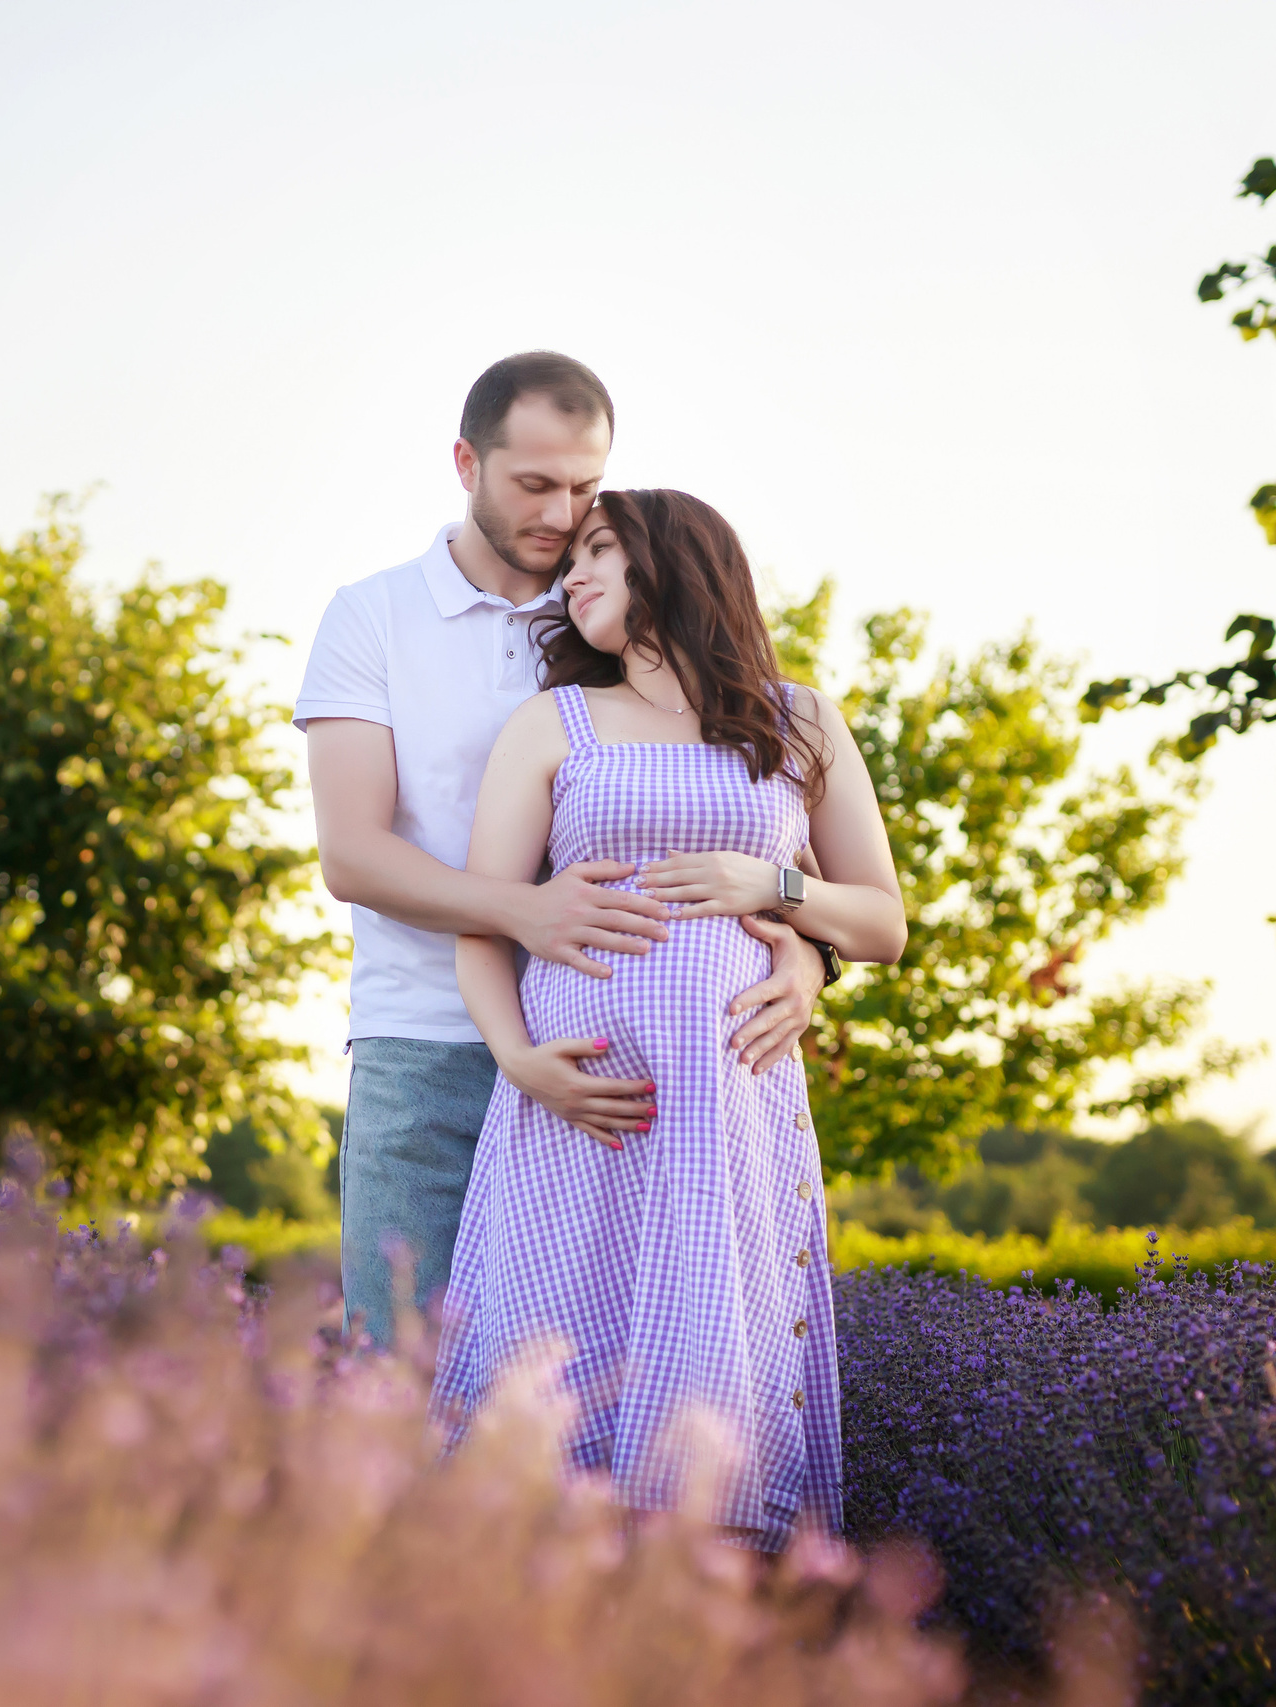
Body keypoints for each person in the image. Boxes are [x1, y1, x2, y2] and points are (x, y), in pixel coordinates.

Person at [297, 353, 836, 1348]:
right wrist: (520, 913)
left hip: (625, 1062)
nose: (561, 513)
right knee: (401, 1376)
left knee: (587, 1393)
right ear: (466, 463)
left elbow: (737, 799)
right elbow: (354, 858)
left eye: (584, 487)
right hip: (426, 1050)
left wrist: (805, 951)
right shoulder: (372, 618)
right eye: (534, 485)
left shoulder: (614, 603)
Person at [429, 488, 906, 1546]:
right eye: (572, 561)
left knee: (710, 1360)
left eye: (600, 549)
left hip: (725, 1106)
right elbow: (482, 919)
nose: (573, 574)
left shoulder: (801, 720)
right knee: (553, 1362)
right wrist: (518, 1060)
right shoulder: (549, 723)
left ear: (676, 566)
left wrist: (771, 886)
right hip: (580, 1103)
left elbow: (879, 923)